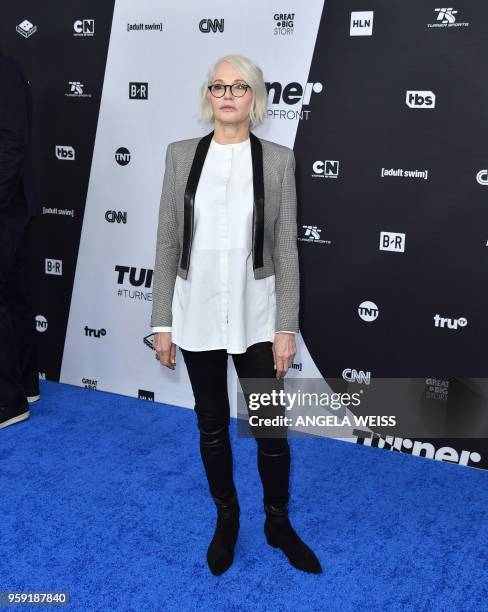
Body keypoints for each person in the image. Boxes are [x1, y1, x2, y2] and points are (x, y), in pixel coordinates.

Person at [151, 54, 322, 575]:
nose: (227, 94)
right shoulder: (180, 155)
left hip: (256, 314)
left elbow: (286, 249)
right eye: (218, 86)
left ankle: (277, 522)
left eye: (239, 86)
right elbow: (166, 242)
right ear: (209, 96)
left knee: (270, 427)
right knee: (210, 425)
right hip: (196, 311)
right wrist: (162, 322)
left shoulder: (276, 159)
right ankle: (227, 520)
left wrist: (285, 327)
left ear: (256, 98)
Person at [0, 51, 40, 429]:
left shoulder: (5, 67)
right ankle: (25, 384)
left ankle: (8, 401)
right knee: (11, 294)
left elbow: (13, 141)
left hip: (7, 202)